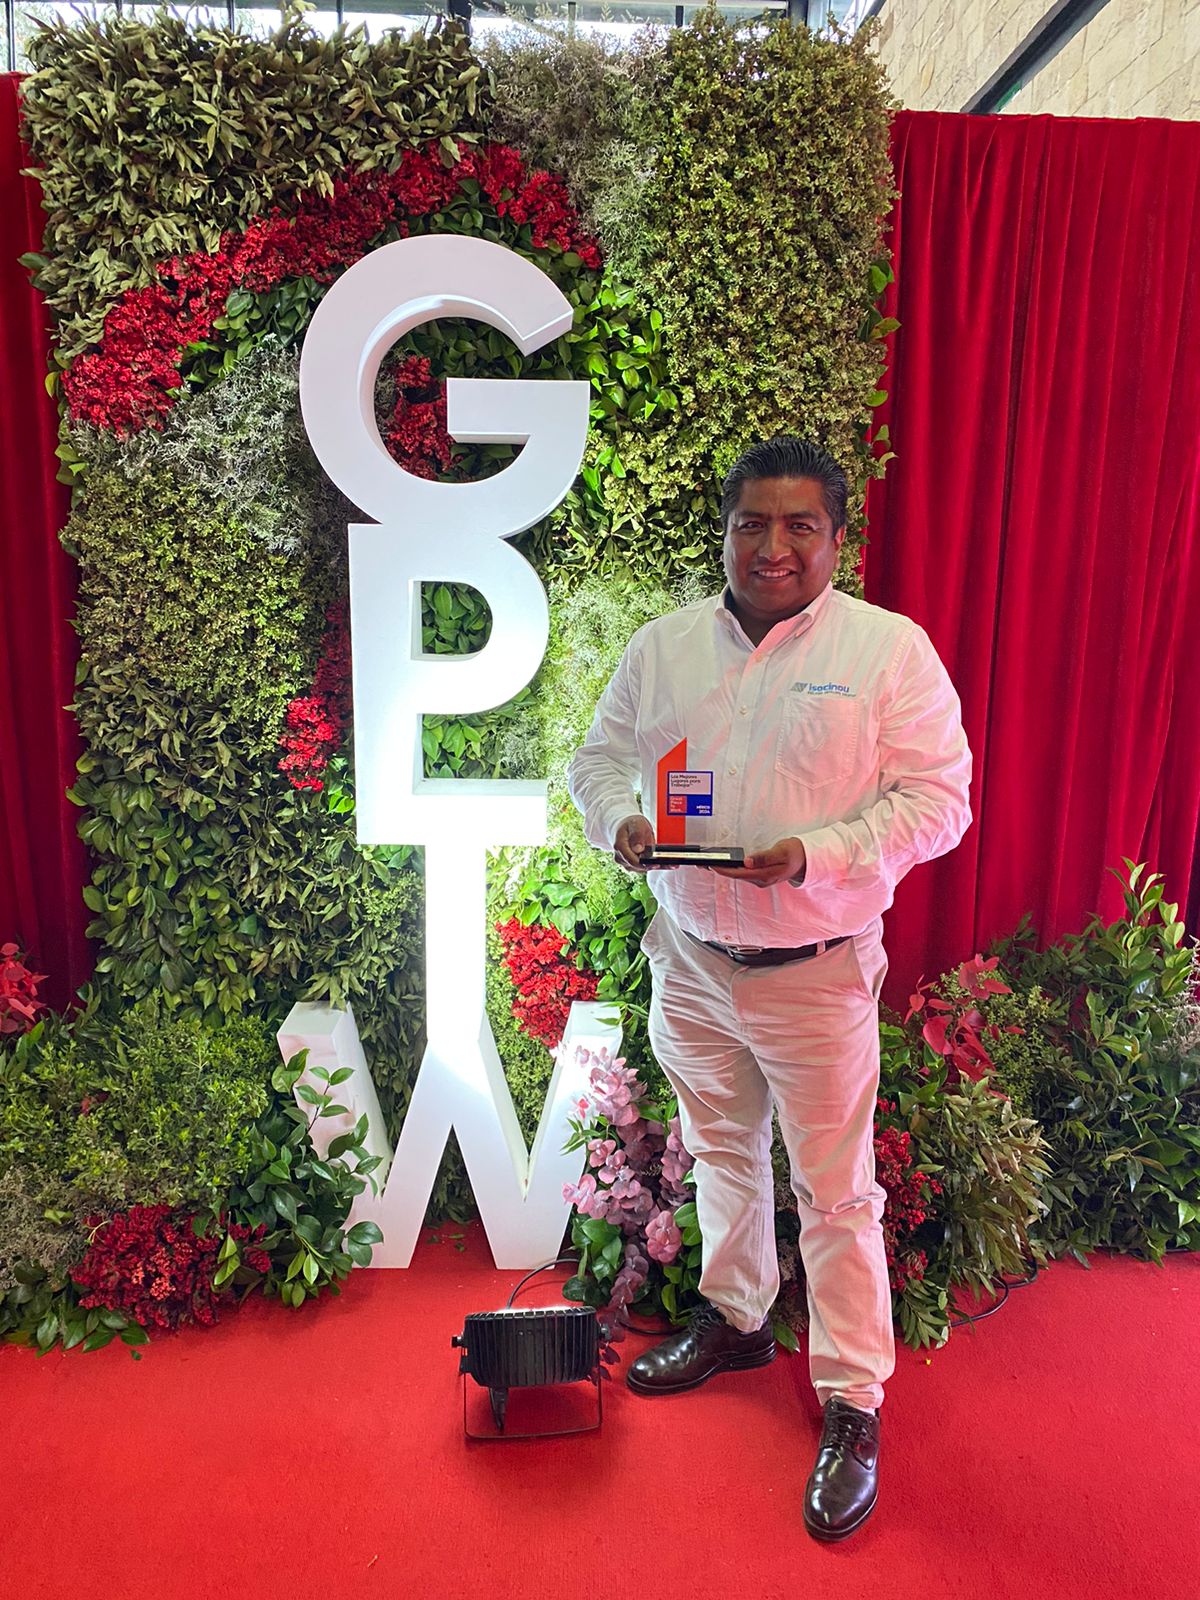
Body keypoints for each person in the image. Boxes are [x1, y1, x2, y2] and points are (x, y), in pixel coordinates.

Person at [567, 436, 972, 1543]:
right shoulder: (664, 648)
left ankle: (852, 1398)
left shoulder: (887, 651)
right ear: (727, 532)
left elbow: (941, 801)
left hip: (816, 971)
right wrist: (621, 823)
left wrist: (814, 856)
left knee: (837, 1192)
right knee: (720, 1152)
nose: (773, 546)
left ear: (838, 539)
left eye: (800, 526)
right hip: (693, 961)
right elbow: (597, 760)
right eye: (753, 523)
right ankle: (739, 1317)